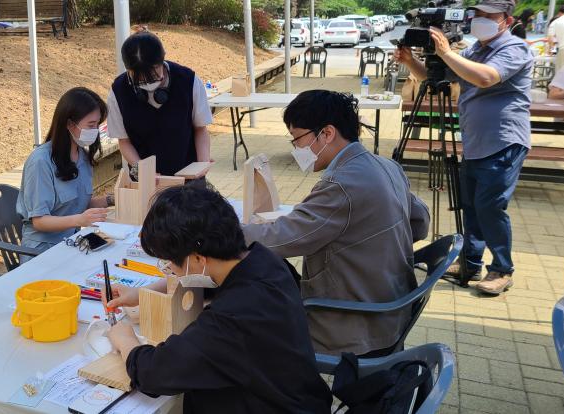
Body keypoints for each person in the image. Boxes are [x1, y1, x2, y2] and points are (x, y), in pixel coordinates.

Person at [104, 184, 332, 414]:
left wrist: (126, 341)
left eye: (170, 262)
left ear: (198, 259)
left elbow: (155, 373)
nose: (170, 269)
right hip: (300, 396)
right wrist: (142, 293)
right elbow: (210, 281)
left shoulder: (231, 320)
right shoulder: (265, 261)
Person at [237, 90, 430, 357]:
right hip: (392, 308)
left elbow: (285, 238)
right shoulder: (387, 166)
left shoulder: (340, 184)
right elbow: (421, 223)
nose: (296, 149)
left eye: (297, 139)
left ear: (327, 133)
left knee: (250, 300)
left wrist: (224, 232)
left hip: (353, 322)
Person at [395, 0, 532, 295]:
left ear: (507, 20)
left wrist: (446, 52)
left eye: (489, 15)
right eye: (477, 14)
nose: (481, 19)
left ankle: (502, 269)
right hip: (474, 142)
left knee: (490, 206)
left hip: (503, 142)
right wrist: (410, 61)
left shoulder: (515, 49)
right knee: (470, 205)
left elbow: (485, 77)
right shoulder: (474, 50)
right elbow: (434, 78)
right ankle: (470, 262)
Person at [15, 87, 112, 254]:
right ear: (69, 124)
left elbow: (78, 204)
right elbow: (39, 221)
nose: (96, 131)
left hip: (72, 241)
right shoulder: (41, 162)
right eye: (91, 125)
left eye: (97, 124)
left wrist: (112, 199)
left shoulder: (82, 156)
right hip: (41, 250)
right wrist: (80, 220)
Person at [106, 31, 213, 177]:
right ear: (128, 70)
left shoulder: (188, 80)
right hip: (146, 181)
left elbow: (200, 129)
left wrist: (202, 165)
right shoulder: (118, 91)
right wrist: (143, 171)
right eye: (139, 77)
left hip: (189, 177)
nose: (147, 81)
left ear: (162, 59)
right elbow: (124, 141)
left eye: (153, 73)